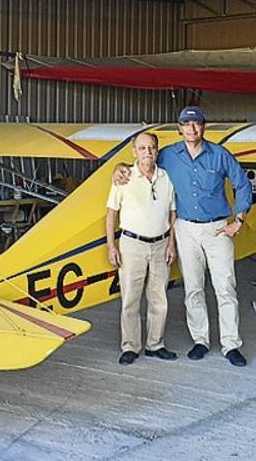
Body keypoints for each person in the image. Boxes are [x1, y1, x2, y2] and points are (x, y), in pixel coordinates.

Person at [113, 106, 253, 367]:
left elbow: (242, 183)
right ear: (179, 128)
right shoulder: (167, 155)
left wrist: (239, 221)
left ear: (203, 127)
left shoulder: (220, 155)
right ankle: (200, 340)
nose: (191, 128)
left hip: (218, 228)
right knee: (193, 289)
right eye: (186, 124)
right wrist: (120, 168)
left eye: (196, 123)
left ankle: (231, 345)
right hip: (185, 229)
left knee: (225, 288)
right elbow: (142, 162)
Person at [106, 132, 178, 366]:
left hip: (160, 243)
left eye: (152, 147)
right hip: (132, 244)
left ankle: (155, 344)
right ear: (134, 152)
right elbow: (111, 212)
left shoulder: (166, 177)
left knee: (159, 298)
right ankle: (130, 346)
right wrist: (111, 245)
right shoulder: (123, 177)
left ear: (157, 151)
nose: (148, 151)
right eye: (143, 148)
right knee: (130, 298)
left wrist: (171, 243)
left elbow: (172, 213)